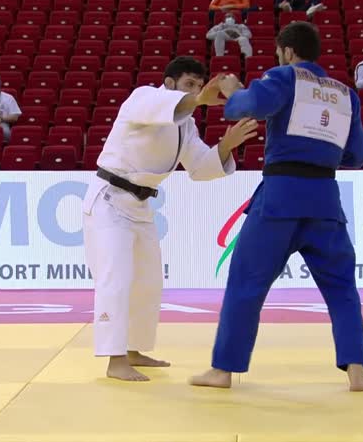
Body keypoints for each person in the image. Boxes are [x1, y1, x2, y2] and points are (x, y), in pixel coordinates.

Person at [189, 22, 363, 392]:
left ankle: (223, 370)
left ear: (288, 52)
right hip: (325, 201)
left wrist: (232, 89)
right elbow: (358, 155)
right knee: (342, 289)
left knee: (246, 283)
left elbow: (249, 106)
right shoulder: (345, 94)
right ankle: (357, 372)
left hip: (280, 198)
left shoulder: (287, 77)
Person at [82, 57, 258, 382]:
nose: (195, 90)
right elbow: (167, 107)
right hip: (109, 199)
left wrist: (226, 144)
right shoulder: (143, 97)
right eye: (188, 84)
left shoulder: (186, 125)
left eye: (198, 84)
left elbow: (200, 167)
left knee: (148, 282)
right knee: (115, 278)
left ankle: (134, 349)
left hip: (140, 205)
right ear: (169, 83)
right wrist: (198, 99)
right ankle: (114, 359)